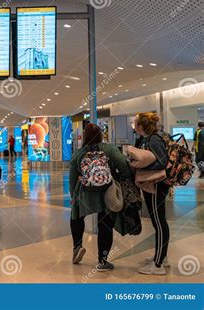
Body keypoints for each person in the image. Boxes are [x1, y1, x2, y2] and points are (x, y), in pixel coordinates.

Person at [69, 123, 132, 271]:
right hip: (106, 192)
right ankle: (102, 261)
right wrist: (117, 180)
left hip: (84, 192)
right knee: (105, 225)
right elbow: (123, 166)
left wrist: (73, 197)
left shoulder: (79, 153)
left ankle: (77, 246)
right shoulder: (109, 149)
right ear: (100, 135)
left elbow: (72, 179)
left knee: (76, 217)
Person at [134, 112, 170, 275]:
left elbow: (162, 161)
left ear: (140, 126)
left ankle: (158, 265)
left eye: (135, 123)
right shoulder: (146, 139)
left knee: (159, 222)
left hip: (157, 184)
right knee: (157, 222)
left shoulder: (154, 139)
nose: (134, 126)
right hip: (151, 184)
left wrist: (141, 167)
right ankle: (161, 257)